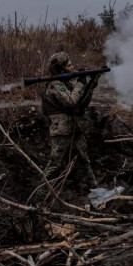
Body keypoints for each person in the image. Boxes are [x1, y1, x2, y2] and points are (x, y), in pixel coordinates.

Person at [40, 51, 101, 188]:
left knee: (85, 162)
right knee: (54, 165)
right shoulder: (56, 84)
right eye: (69, 65)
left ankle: (95, 190)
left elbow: (81, 103)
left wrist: (91, 82)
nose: (72, 67)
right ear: (61, 69)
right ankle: (40, 195)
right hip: (61, 132)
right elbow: (72, 101)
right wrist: (80, 83)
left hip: (75, 128)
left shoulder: (66, 84)